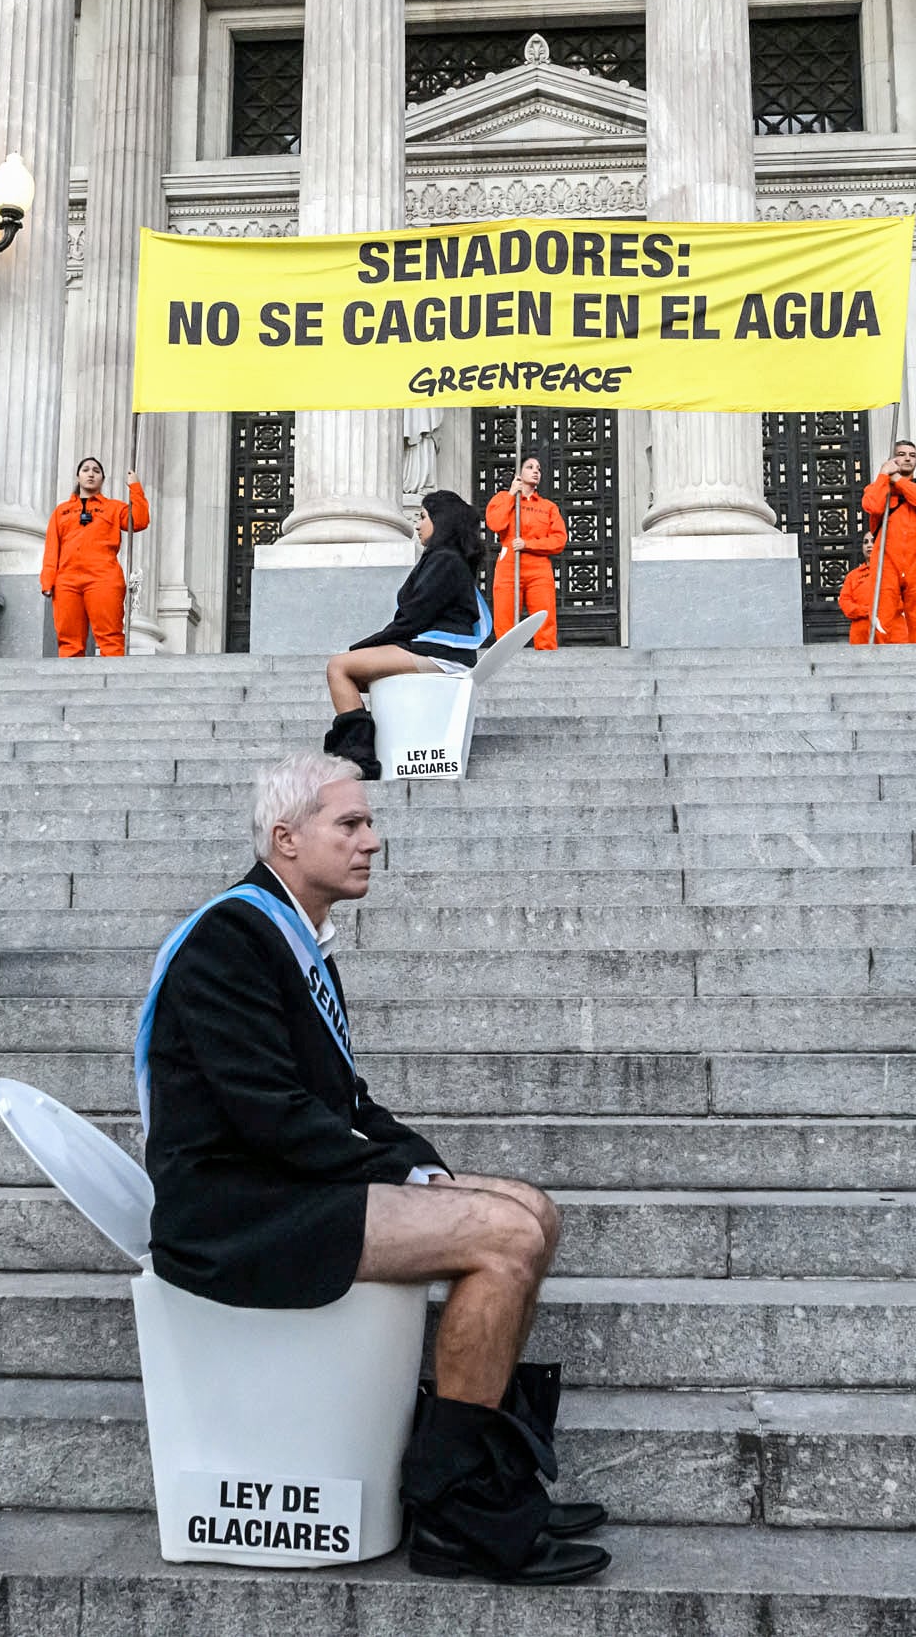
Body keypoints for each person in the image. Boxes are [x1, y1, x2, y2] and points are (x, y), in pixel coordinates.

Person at [137, 754, 608, 1584]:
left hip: (288, 1186)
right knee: (501, 1238)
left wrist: (427, 1174)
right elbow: (271, 1116)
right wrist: (405, 1187)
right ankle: (458, 1514)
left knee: (533, 1209)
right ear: (286, 838)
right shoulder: (230, 940)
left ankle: (487, 1472)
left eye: (368, 824)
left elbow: (348, 1103)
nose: (372, 842)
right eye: (349, 825)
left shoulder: (295, 939)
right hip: (237, 1212)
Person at [319, 489, 495, 780]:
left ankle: (360, 760)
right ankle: (367, 751)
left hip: (440, 655)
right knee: (353, 671)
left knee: (339, 666)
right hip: (435, 651)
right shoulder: (446, 559)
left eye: (423, 517)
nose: (417, 525)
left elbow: (413, 619)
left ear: (441, 521)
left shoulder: (445, 560)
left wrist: (361, 648)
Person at [42, 458, 149, 657]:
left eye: (96, 471)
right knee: (69, 642)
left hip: (103, 578)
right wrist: (48, 581)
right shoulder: (61, 511)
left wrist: (135, 486)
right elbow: (52, 548)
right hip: (67, 581)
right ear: (78, 476)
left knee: (110, 638)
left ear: (102, 479)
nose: (91, 474)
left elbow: (140, 520)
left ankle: (114, 684)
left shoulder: (114, 508)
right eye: (86, 470)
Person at [857, 439, 916, 644]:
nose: (907, 458)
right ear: (892, 459)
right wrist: (884, 475)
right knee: (883, 618)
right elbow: (872, 506)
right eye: (901, 454)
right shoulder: (877, 489)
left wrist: (899, 481)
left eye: (912, 455)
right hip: (886, 561)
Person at [486, 454, 566, 650]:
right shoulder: (503, 499)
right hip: (509, 567)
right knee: (505, 619)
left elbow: (559, 540)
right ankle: (505, 661)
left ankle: (547, 661)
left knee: (544, 618)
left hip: (539, 569)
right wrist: (511, 495)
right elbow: (496, 523)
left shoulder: (548, 507)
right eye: (530, 467)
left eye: (538, 468)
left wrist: (528, 544)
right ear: (519, 474)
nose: (536, 471)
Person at [839, 550, 874, 645]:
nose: (869, 545)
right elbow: (844, 601)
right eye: (865, 542)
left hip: (886, 629)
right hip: (860, 631)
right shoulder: (853, 576)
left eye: (873, 541)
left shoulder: (890, 573)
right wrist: (864, 611)